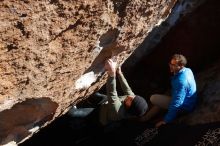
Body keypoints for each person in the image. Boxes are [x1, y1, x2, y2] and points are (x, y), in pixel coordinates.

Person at [68, 58, 148, 128]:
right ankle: (87, 101)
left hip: (99, 116)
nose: (131, 96)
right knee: (94, 93)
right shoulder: (132, 99)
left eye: (131, 99)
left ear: (129, 106)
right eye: (134, 96)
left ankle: (75, 110)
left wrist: (112, 73)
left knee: (73, 113)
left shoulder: (118, 111)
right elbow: (127, 89)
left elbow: (112, 93)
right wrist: (120, 74)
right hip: (106, 102)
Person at [140, 54, 197, 128]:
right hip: (189, 100)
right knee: (162, 98)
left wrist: (166, 120)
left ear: (181, 66)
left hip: (185, 107)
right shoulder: (187, 70)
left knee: (153, 98)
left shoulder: (181, 81)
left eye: (173, 65)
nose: (170, 66)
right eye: (170, 63)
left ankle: (144, 119)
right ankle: (144, 119)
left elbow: (177, 103)